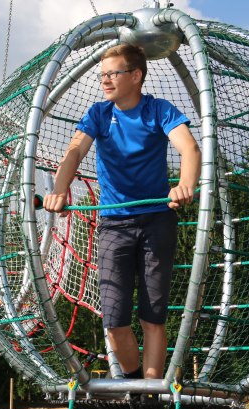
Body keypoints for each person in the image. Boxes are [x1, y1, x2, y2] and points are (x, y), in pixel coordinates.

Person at [43, 44, 201, 381]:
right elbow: (74, 151)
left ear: (136, 75)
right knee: (114, 321)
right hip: (114, 225)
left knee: (153, 317)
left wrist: (185, 184)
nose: (105, 80)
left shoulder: (158, 110)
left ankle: (152, 391)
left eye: (113, 73)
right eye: (102, 75)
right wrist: (59, 190)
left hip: (157, 221)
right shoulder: (99, 114)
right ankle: (134, 388)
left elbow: (189, 148)